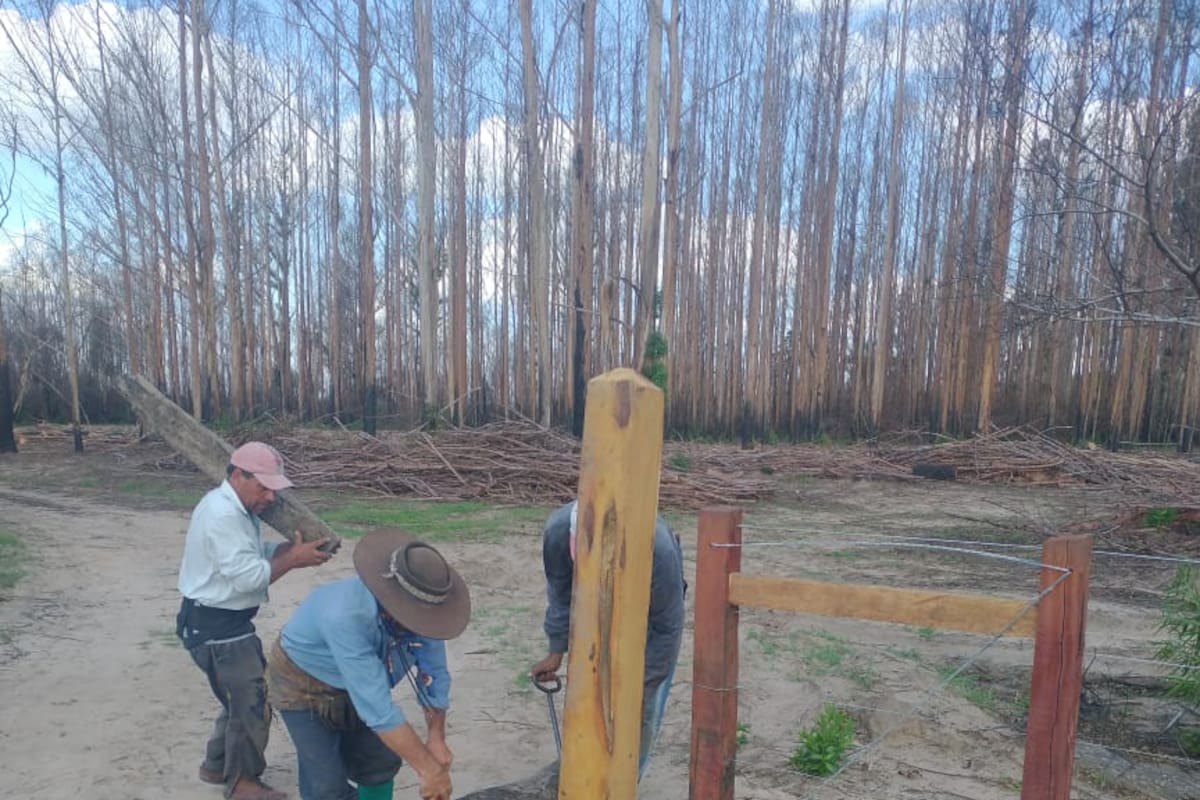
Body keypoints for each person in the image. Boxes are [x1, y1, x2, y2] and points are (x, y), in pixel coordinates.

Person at [176, 441, 333, 800]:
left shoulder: (235, 511)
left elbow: (251, 555)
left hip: (221, 624)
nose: (270, 497)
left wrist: (287, 551)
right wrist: (293, 560)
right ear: (237, 475)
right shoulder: (222, 515)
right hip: (217, 628)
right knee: (253, 701)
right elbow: (248, 578)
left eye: (272, 489)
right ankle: (242, 782)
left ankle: (217, 764)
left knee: (239, 697)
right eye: (263, 487)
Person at [267, 529, 470, 800]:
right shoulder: (346, 617)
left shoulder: (427, 611)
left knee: (378, 764)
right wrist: (429, 771)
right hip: (302, 681)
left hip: (360, 676)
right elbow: (378, 709)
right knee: (326, 787)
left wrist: (436, 737)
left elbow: (434, 674)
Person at [530, 500, 685, 778]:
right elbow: (561, 594)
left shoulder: (657, 551)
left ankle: (628, 780)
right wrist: (556, 650)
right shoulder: (557, 532)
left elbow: (665, 630)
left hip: (648, 601)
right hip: (592, 598)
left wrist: (641, 693)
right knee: (588, 691)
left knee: (640, 713)